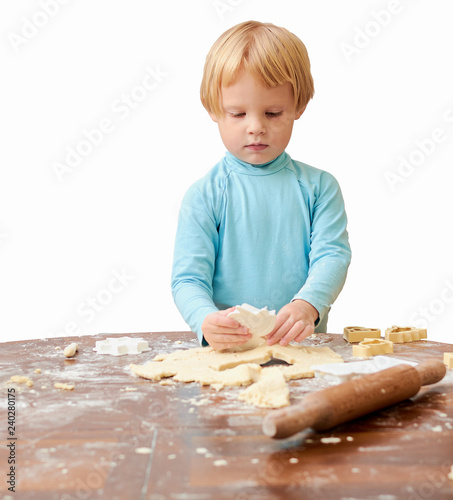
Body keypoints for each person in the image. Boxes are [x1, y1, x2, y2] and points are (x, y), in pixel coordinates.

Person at [171, 20, 351, 350]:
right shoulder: (204, 195)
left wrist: (307, 305)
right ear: (214, 109)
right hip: (229, 352)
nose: (255, 127)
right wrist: (205, 319)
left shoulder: (320, 188)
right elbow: (188, 279)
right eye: (238, 114)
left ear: (299, 106)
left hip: (302, 349)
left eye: (272, 112)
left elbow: (332, 257)